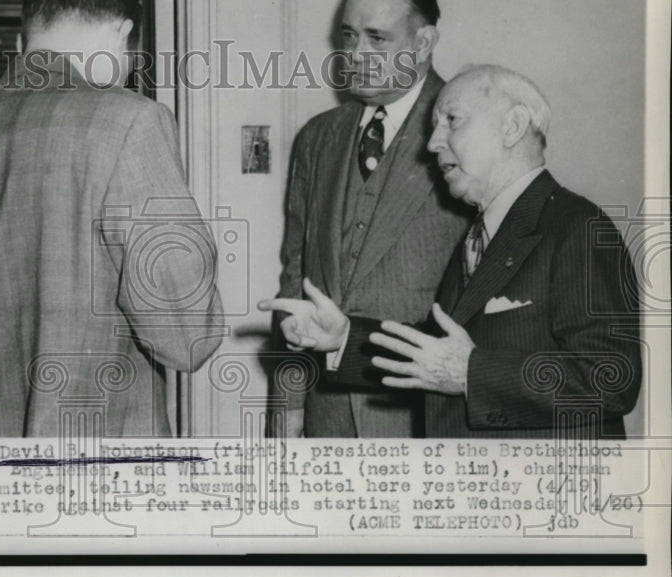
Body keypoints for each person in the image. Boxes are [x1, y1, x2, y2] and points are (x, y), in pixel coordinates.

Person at [0, 0, 225, 438]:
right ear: (121, 34)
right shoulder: (130, 122)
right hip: (101, 484)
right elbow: (188, 338)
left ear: (26, 39)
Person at [260, 65, 642, 439]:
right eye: (433, 126)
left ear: (512, 127)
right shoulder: (481, 232)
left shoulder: (577, 226)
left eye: (452, 120)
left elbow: (612, 378)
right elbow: (437, 354)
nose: (432, 143)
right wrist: (343, 337)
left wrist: (471, 374)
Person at [275, 0, 469, 437]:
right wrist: (288, 410)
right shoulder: (317, 139)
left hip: (424, 420)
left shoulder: (468, 129)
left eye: (377, 38)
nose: (356, 55)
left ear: (423, 44)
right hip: (326, 421)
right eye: (348, 35)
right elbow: (294, 282)